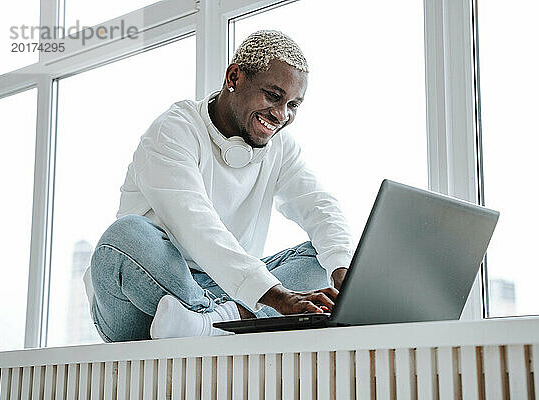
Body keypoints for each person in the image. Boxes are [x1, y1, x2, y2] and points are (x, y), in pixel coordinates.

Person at [84, 30, 354, 342]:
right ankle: (222, 320)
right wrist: (278, 298)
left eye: (293, 104)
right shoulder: (174, 130)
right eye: (273, 96)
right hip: (144, 295)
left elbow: (319, 206)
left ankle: (214, 321)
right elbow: (197, 225)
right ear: (234, 77)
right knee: (125, 235)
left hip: (224, 293)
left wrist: (345, 273)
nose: (281, 115)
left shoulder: (282, 148)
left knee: (318, 256)